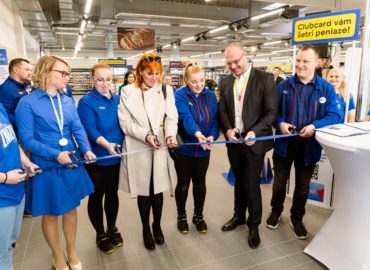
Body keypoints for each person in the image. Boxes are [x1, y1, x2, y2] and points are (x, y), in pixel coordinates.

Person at [15, 55, 96, 270]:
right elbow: (27, 139)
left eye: (68, 73)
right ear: (46, 72)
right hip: (47, 165)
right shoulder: (27, 103)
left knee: (70, 208)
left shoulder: (68, 100)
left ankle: (71, 251)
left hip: (70, 161)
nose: (67, 77)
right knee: (51, 213)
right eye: (63, 72)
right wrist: (55, 154)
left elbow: (77, 129)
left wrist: (86, 150)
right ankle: (57, 256)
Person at [265, 45, 341, 240]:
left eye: (305, 61)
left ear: (316, 63)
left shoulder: (326, 89)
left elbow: (335, 115)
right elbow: (272, 112)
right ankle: (275, 212)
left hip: (309, 147)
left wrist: (315, 126)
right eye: (298, 60)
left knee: (303, 186)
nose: (300, 64)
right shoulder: (284, 86)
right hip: (284, 144)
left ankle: (297, 218)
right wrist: (280, 123)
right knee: (279, 183)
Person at [218, 42, 278, 249]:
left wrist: (255, 131)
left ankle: (254, 226)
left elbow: (271, 112)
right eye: (229, 63)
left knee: (251, 184)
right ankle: (238, 217)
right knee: (238, 181)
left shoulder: (265, 79)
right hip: (234, 142)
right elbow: (223, 111)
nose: (233, 66)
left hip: (254, 141)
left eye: (236, 61)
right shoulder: (225, 82)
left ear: (246, 56)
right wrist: (227, 130)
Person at [118, 52, 178, 250]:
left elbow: (171, 117)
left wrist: (170, 134)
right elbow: (126, 123)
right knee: (144, 190)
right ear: (140, 72)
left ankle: (157, 225)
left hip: (160, 145)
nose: (154, 78)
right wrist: (145, 135)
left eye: (158, 73)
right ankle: (146, 228)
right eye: (149, 73)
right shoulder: (127, 91)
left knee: (158, 188)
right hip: (139, 146)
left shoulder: (166, 90)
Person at [77, 63, 125, 254]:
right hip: (97, 159)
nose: (104, 84)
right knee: (97, 196)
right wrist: (107, 145)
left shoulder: (118, 99)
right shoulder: (86, 102)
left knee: (113, 195)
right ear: (92, 80)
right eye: (99, 80)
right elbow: (90, 129)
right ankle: (100, 233)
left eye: (108, 79)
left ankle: (112, 227)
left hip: (117, 158)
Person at [174, 64, 219, 234]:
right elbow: (186, 118)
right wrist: (198, 134)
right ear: (186, 80)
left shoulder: (210, 95)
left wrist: (212, 136)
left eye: (202, 81)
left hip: (204, 149)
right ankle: (182, 216)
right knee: (184, 183)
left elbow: (215, 119)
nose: (199, 85)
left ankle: (198, 216)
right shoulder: (179, 95)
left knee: (200, 183)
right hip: (185, 149)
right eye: (194, 82)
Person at [0, 103, 39, 270]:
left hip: (16, 190)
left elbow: (12, 141)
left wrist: (26, 161)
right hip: (2, 197)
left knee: (9, 243)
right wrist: (5, 177)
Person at [0, 58, 32, 133]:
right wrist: (24, 122)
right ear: (16, 70)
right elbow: (4, 114)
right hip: (18, 131)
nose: (30, 73)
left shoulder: (24, 86)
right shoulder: (7, 89)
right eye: (27, 70)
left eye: (31, 70)